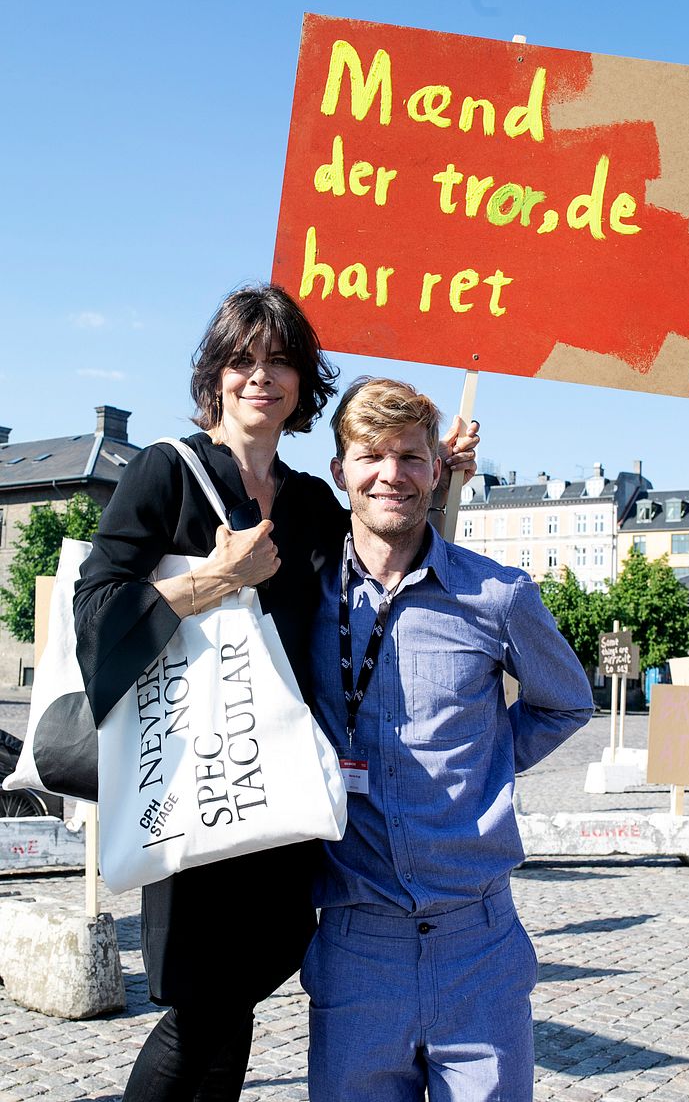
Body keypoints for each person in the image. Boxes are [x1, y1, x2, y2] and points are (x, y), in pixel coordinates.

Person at [73, 287, 478, 1102]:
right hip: (195, 775)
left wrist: (441, 483)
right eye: (242, 360)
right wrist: (219, 577)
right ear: (215, 376)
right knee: (199, 1011)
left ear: (302, 381)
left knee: (238, 1006)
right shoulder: (165, 472)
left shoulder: (308, 504)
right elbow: (95, 614)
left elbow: (385, 570)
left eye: (280, 360)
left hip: (279, 783)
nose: (261, 375)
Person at [303, 377, 595, 1102]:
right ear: (340, 472)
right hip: (355, 946)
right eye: (370, 454)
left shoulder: (499, 595)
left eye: (410, 455)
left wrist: (489, 757)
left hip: (480, 946)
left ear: (439, 469)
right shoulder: (299, 596)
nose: (391, 473)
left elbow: (565, 703)